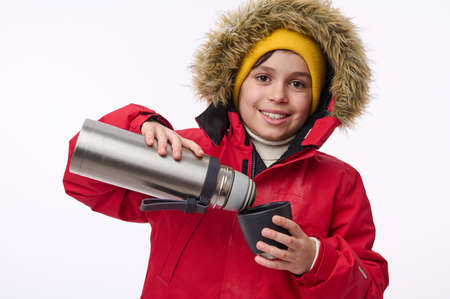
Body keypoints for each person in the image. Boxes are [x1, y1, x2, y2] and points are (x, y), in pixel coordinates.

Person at [63, 0, 389, 298]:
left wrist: (315, 259)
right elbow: (82, 177)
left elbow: (368, 289)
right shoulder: (186, 151)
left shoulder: (339, 181)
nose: (278, 95)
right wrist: (138, 129)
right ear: (236, 82)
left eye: (297, 83)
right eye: (263, 77)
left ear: (319, 98)